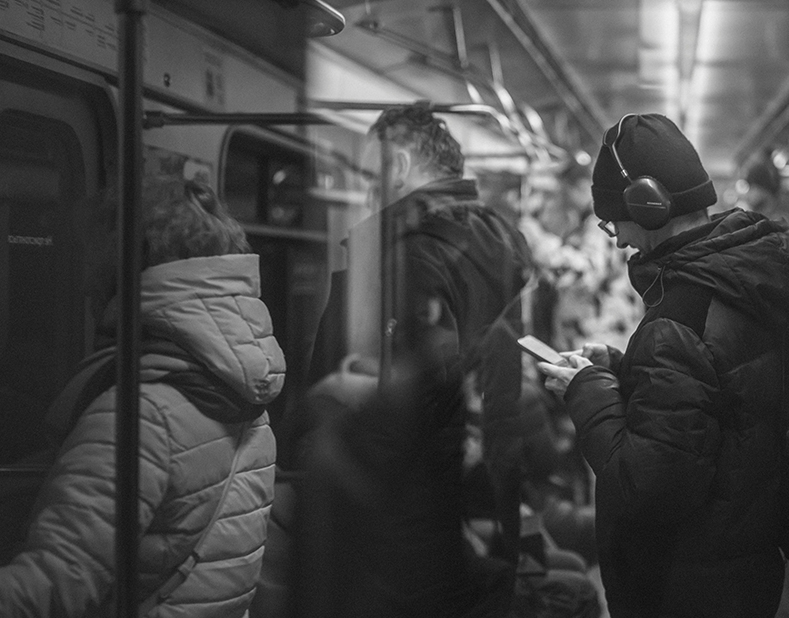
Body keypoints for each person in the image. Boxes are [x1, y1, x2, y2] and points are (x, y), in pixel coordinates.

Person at [538, 113, 789, 617]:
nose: (616, 236)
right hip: (740, 561)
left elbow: (643, 488)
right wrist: (621, 372)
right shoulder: (739, 278)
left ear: (648, 205)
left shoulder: (680, 316)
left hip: (685, 585)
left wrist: (586, 392)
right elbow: (714, 397)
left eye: (613, 219)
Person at [288, 105, 539, 617]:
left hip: (397, 532)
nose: (367, 190)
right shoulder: (489, 246)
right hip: (470, 515)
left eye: (370, 173)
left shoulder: (411, 255)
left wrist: (340, 398)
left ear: (397, 165)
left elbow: (418, 392)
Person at [0, 173, 285, 617]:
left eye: (93, 262)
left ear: (125, 265)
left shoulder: (138, 415)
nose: (85, 285)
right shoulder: (240, 393)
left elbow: (60, 580)